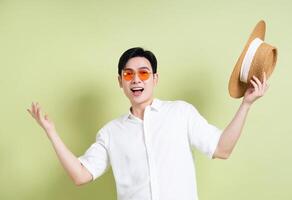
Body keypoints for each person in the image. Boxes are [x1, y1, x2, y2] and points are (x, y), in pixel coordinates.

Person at [27, 47, 269, 200]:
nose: (135, 80)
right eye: (128, 74)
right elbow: (80, 175)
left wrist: (245, 104)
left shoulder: (180, 113)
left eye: (143, 73)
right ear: (120, 82)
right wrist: (52, 133)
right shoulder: (111, 133)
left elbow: (222, 149)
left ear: (154, 79)